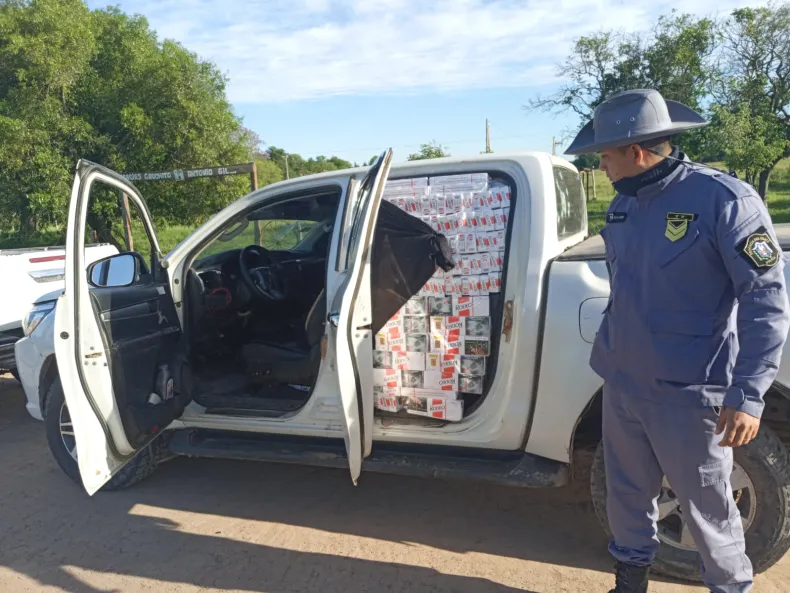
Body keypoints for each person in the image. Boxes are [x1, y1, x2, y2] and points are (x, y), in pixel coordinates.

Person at [565, 89, 790, 593]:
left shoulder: (723, 200)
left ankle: (731, 586)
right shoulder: (623, 206)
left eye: (605, 156)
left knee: (708, 507)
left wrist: (748, 394)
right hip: (624, 383)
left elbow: (766, 302)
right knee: (626, 494)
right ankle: (630, 580)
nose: (601, 167)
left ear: (636, 152)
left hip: (690, 393)